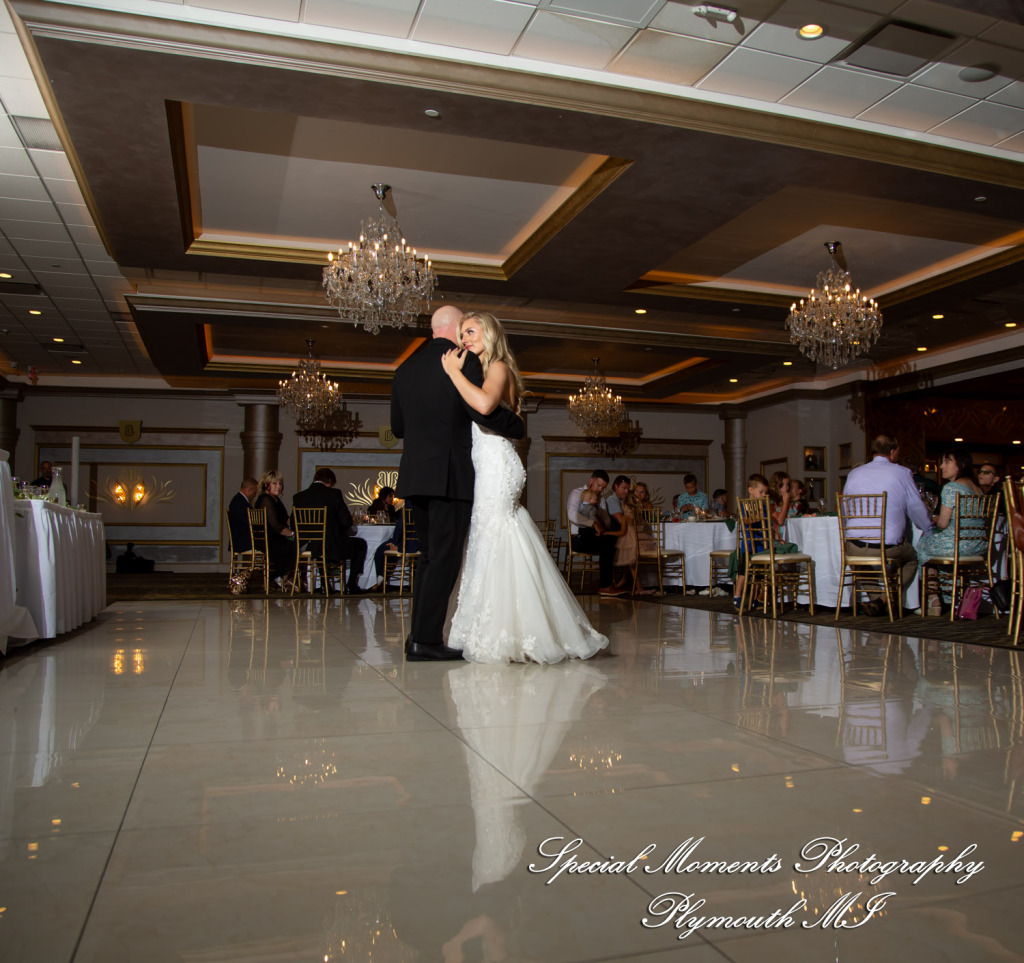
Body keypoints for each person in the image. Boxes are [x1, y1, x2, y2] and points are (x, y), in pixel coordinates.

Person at [440, 309, 608, 662]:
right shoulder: (484, 371)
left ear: (489, 334)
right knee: (491, 537)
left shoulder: (498, 366)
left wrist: (453, 373)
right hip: (488, 463)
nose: (464, 339)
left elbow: (485, 405)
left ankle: (511, 633)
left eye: (470, 331)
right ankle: (499, 628)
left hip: (498, 465)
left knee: (496, 535)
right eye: (461, 334)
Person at [390, 304, 526, 661]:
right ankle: (426, 640)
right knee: (445, 559)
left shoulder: (403, 370)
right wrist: (519, 427)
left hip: (414, 477)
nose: (466, 338)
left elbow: (398, 428)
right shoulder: (463, 363)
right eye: (463, 330)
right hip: (449, 477)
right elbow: (484, 412)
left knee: (428, 558)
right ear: (454, 330)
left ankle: (417, 635)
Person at [843, 435, 934, 617]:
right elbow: (916, 507)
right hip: (887, 547)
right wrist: (928, 528)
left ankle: (877, 601)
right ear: (892, 452)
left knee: (857, 562)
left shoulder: (854, 473)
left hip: (854, 545)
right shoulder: (902, 473)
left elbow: (846, 508)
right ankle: (884, 599)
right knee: (912, 559)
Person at [916, 448, 985, 615]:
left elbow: (943, 524)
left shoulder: (951, 488)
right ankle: (952, 599)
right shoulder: (977, 488)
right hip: (978, 544)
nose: (941, 466)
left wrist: (933, 518)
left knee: (923, 543)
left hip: (957, 545)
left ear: (960, 465)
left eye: (947, 462)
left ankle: (935, 599)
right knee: (937, 548)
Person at [292, 467, 369, 594]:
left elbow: (294, 523)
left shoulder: (299, 497)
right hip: (331, 546)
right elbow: (347, 522)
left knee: (320, 544)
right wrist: (335, 530)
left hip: (308, 546)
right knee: (360, 544)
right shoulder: (334, 494)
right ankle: (351, 584)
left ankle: (324, 583)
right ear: (329, 481)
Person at [567, 469, 622, 596]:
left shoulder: (600, 499)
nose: (600, 489)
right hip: (578, 538)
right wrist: (593, 523)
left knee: (614, 540)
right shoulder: (577, 493)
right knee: (608, 543)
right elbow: (572, 515)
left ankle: (611, 584)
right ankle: (605, 586)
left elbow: (607, 522)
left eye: (603, 487)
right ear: (591, 480)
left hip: (594, 536)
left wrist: (600, 512)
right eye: (599, 485)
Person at [254, 469, 296, 588]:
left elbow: (286, 520)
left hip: (275, 537)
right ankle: (285, 577)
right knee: (296, 545)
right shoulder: (266, 500)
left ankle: (288, 577)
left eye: (280, 483)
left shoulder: (275, 499)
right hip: (268, 539)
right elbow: (276, 526)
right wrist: (293, 534)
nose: (278, 486)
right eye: (274, 483)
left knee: (298, 543)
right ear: (266, 485)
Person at [227, 476, 258, 553]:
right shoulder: (239, 502)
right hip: (242, 542)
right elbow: (249, 522)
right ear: (248, 490)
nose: (255, 495)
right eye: (255, 492)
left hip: (242, 539)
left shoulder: (239, 500)